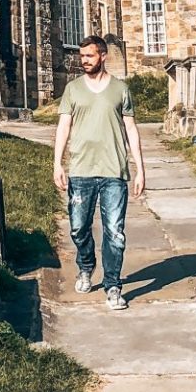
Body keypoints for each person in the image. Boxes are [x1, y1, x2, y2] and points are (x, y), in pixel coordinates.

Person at [53, 35, 145, 310]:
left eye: (89, 56)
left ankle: (113, 286)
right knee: (79, 228)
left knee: (115, 233)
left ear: (103, 56)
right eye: (82, 57)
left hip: (114, 172)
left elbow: (131, 129)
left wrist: (140, 169)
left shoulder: (120, 89)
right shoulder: (73, 90)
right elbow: (63, 127)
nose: (84, 61)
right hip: (80, 171)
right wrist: (57, 163)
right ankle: (86, 266)